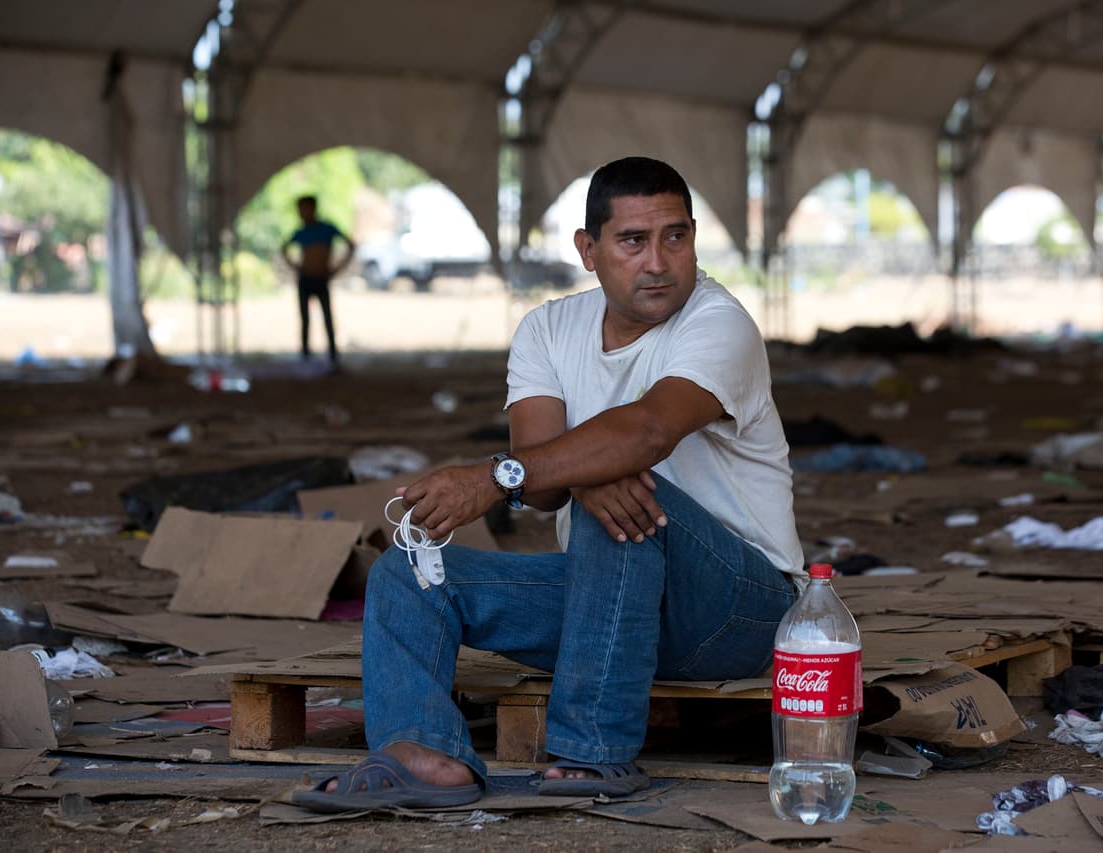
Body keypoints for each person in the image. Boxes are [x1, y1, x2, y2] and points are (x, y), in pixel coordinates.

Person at [294, 156, 804, 812]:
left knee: (623, 497)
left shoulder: (718, 321)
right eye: (632, 241)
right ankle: (424, 751)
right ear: (587, 250)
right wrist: (569, 472)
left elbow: (646, 432)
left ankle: (594, 752)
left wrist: (500, 476)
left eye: (675, 237)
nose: (658, 261)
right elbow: (542, 481)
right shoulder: (548, 329)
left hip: (743, 609)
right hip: (612, 603)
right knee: (410, 573)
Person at [282, 195, 355, 370]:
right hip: (305, 279)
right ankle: (305, 356)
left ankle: (333, 356)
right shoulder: (301, 232)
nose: (301, 214)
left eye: (303, 209)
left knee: (327, 318)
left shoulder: (326, 229)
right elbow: (284, 249)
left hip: (321, 278)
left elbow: (350, 245)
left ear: (312, 209)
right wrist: (297, 268)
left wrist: (337, 268)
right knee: (305, 319)